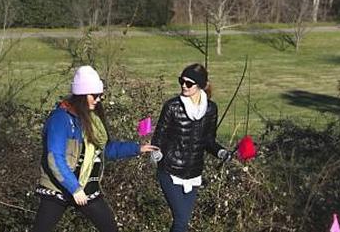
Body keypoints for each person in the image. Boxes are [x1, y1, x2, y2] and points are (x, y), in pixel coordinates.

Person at [34, 65, 159, 232]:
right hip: (59, 189)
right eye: (95, 95)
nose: (98, 99)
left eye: (100, 95)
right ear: (81, 95)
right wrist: (74, 188)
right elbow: (55, 158)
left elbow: (105, 150)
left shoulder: (92, 120)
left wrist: (137, 148)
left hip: (88, 187)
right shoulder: (60, 119)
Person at [150, 63, 232, 232]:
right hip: (170, 170)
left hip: (194, 174)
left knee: (182, 223)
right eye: (181, 81)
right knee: (180, 220)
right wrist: (156, 151)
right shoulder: (172, 106)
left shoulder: (211, 109)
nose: (183, 86)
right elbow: (159, 135)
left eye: (189, 83)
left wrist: (221, 152)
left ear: (200, 85)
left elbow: (208, 140)